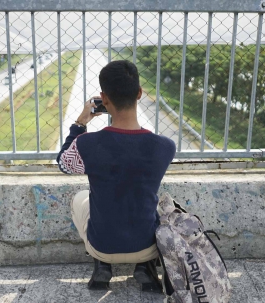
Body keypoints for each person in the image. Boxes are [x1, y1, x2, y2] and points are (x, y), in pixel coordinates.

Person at [56, 60, 176, 292]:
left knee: (81, 197)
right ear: (139, 93)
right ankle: (145, 266)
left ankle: (102, 265)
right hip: (149, 246)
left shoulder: (87, 144)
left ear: (104, 98)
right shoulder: (165, 147)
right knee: (148, 200)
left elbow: (63, 163)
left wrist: (80, 123)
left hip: (102, 245)